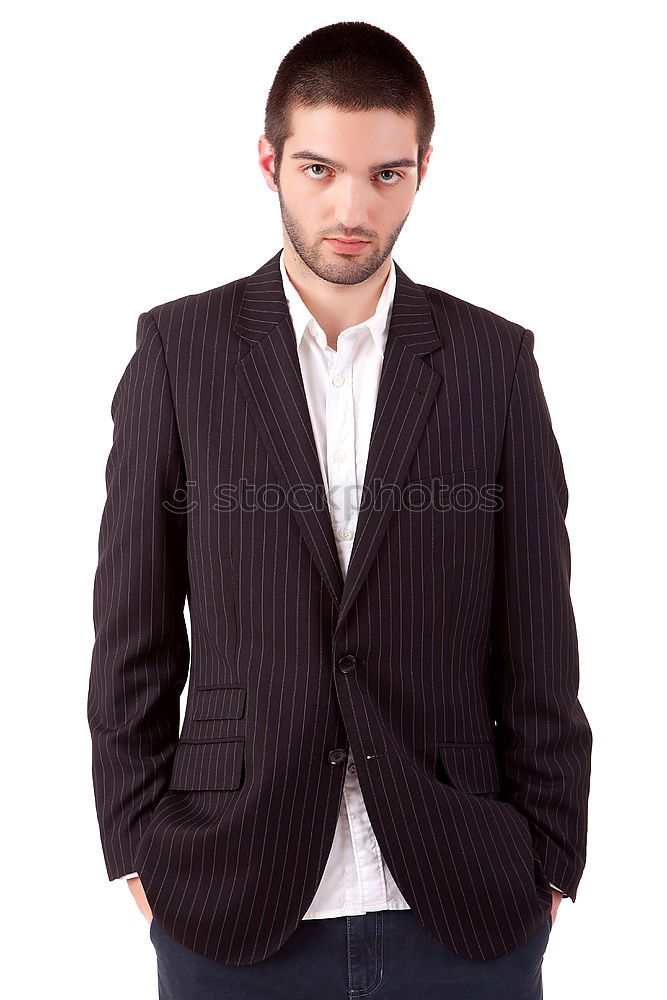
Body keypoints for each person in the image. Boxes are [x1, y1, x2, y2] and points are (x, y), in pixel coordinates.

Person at [87, 20, 592, 1000]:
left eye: (384, 174)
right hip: (229, 897)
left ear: (421, 169)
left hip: (462, 903)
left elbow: (541, 638)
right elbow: (130, 640)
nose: (351, 206)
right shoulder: (179, 353)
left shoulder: (493, 364)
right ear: (269, 161)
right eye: (318, 169)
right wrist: (140, 851)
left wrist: (552, 859)